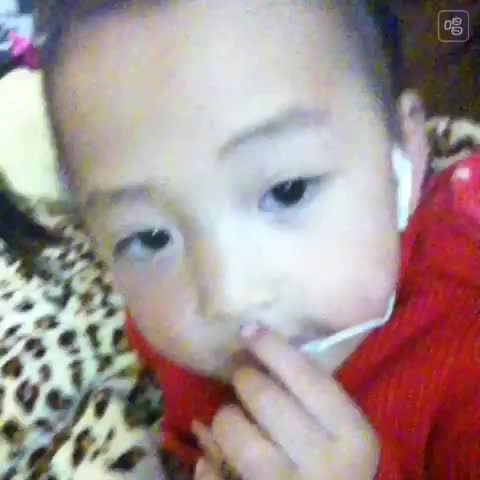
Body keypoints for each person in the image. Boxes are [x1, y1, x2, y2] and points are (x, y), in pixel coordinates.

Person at [39, 1, 480, 478]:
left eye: (288, 191)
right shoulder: (169, 329)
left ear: (403, 159)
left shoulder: (465, 360)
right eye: (149, 238)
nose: (229, 297)